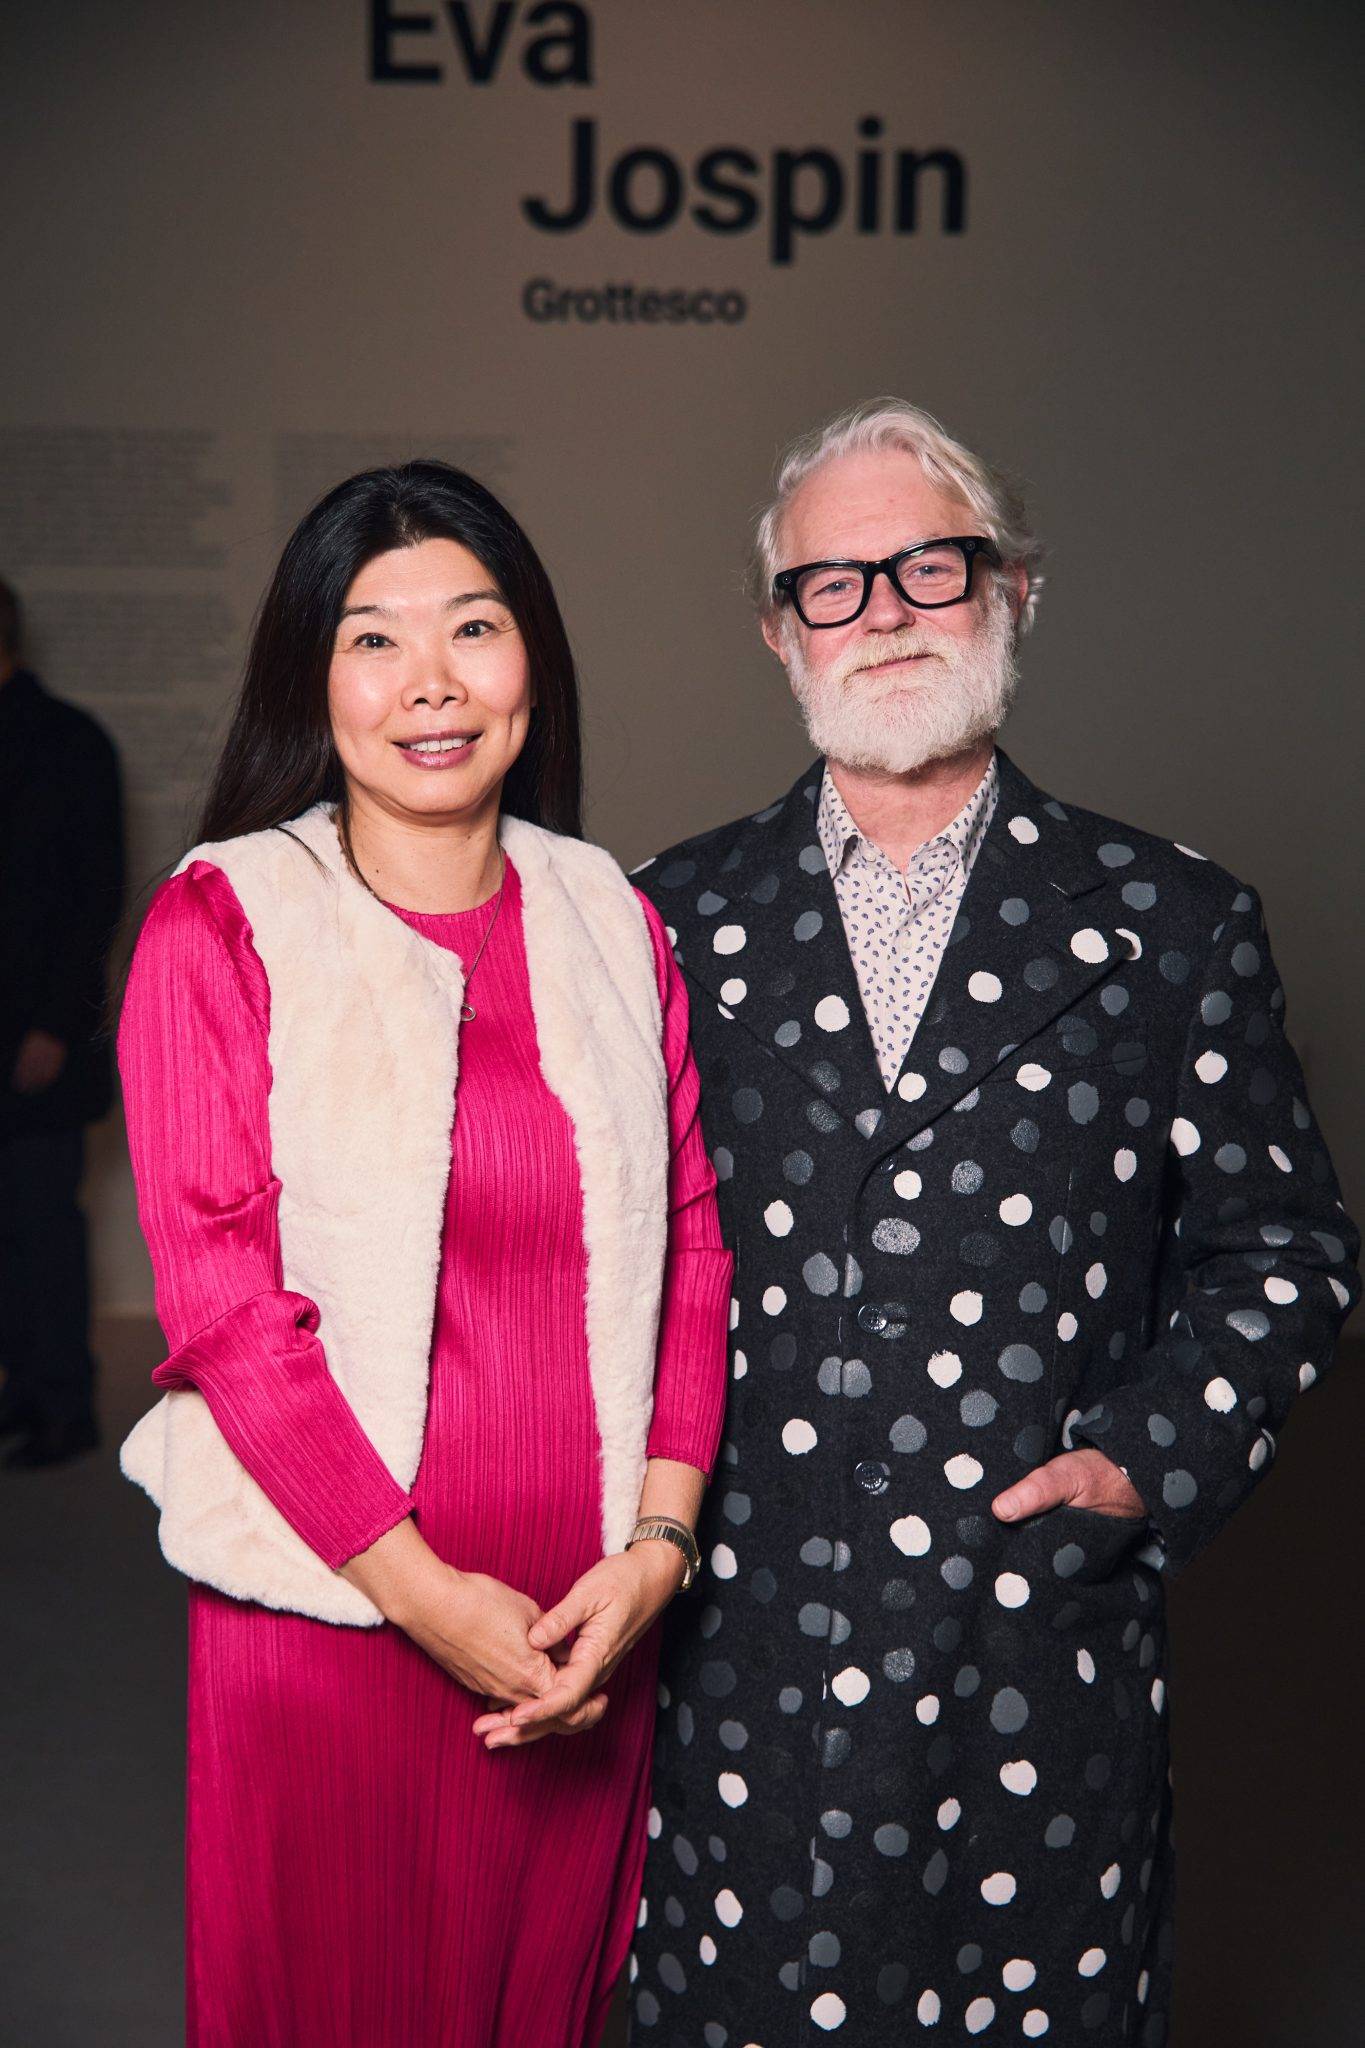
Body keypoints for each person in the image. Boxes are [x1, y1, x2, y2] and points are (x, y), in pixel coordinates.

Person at [627, 401, 1360, 2047]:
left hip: (1028, 1649)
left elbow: (1284, 1246)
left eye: (929, 564)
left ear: (1015, 588)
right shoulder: (668, 917)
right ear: (778, 629)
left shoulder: (1171, 921)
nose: (883, 607)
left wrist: (1147, 1458)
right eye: (834, 580)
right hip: (733, 1650)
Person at [116, 461, 732, 2048]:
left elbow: (691, 1256)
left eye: (475, 626)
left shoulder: (612, 914)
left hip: (583, 1626)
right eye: (373, 640)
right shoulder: (225, 925)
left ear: (535, 661)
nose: (432, 683)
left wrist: (654, 1559)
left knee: (538, 2011)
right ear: (309, 682)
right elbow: (222, 1309)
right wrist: (423, 1597)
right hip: (329, 1625)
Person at [0, 575, 124, 1467]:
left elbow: (92, 901)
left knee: (41, 1223)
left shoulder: (69, 743)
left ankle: (62, 1403)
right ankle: (26, 1393)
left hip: (34, 1041)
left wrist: (49, 1027)